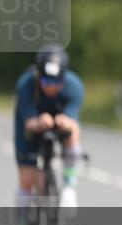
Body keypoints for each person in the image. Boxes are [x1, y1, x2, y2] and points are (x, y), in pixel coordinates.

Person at [14, 45, 85, 212]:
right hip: (32, 124)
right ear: (38, 76)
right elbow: (29, 123)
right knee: (28, 180)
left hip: (60, 121)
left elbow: (73, 121)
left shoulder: (75, 86)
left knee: (72, 132)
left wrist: (64, 121)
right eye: (46, 81)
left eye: (57, 82)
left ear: (64, 77)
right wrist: (38, 122)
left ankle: (69, 188)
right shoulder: (26, 85)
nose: (51, 87)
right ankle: (22, 220)